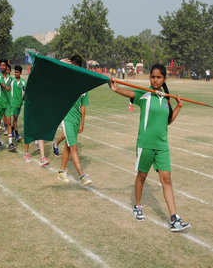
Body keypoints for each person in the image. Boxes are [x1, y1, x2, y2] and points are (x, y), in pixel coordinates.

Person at [109, 63, 191, 232]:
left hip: (162, 145)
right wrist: (116, 89)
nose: (155, 80)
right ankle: (137, 206)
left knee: (166, 179)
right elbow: (130, 93)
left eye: (158, 77)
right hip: (145, 144)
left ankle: (174, 218)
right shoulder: (145, 93)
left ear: (164, 79)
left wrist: (178, 106)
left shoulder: (166, 97)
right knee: (142, 176)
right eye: (152, 77)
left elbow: (167, 121)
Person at [56, 55, 92, 186]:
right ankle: (82, 175)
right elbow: (55, 72)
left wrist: (82, 123)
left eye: (76, 66)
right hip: (67, 118)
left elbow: (83, 107)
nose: (74, 68)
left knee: (68, 145)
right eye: (72, 65)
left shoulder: (84, 85)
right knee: (74, 148)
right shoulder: (66, 80)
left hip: (76, 120)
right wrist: (61, 62)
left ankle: (61, 171)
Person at [0, 59, 16, 152]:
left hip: (7, 104)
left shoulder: (11, 78)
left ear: (7, 66)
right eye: (0, 65)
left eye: (3, 65)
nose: (2, 67)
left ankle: (10, 143)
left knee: (9, 123)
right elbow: (2, 84)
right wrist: (6, 87)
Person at [10, 65, 26, 142]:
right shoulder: (12, 81)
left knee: (15, 119)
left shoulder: (23, 82)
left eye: (18, 72)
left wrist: (23, 97)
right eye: (15, 72)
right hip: (12, 103)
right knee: (15, 118)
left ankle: (12, 131)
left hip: (19, 103)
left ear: (20, 73)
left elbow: (26, 90)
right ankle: (16, 134)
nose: (16, 73)